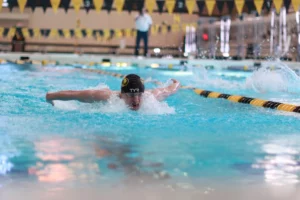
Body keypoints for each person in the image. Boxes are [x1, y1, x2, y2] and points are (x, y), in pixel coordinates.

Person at [46, 74, 180, 111]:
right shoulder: (106, 97)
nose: (136, 100)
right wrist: (50, 97)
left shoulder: (150, 97)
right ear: (123, 94)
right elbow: (74, 94)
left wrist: (176, 83)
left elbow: (170, 90)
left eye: (139, 94)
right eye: (131, 95)